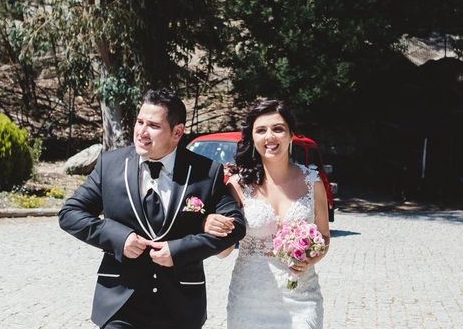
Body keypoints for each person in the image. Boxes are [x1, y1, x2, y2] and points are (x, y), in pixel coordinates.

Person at [59, 88, 246, 329]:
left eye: (153, 126)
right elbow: (70, 214)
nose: (141, 132)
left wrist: (178, 251)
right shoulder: (110, 165)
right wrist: (119, 238)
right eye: (139, 122)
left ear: (177, 132)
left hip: (180, 307)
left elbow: (236, 227)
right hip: (120, 302)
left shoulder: (206, 171)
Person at [204, 99, 330, 329]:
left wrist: (312, 258)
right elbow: (224, 252)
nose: (270, 136)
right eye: (261, 130)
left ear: (291, 135)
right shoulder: (238, 186)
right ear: (252, 138)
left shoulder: (313, 182)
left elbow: (324, 237)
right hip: (248, 301)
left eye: (278, 129)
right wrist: (211, 226)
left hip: (301, 297)